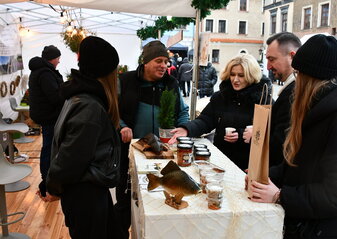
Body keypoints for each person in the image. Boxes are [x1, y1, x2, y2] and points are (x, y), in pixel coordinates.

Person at [248, 34, 337, 238]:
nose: (296, 81)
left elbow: (333, 195)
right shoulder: (315, 108)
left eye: (298, 74)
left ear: (309, 77)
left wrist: (280, 196)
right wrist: (264, 176)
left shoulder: (331, 116)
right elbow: (298, 166)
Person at [46, 36, 124, 239]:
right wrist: (52, 187)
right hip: (85, 195)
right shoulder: (89, 106)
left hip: (88, 190)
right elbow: (70, 158)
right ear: (106, 72)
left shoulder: (81, 98)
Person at [117, 40, 189, 237]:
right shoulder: (126, 80)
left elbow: (182, 111)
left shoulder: (171, 83)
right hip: (130, 150)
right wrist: (123, 126)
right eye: (159, 60)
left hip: (164, 153)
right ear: (145, 61)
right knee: (126, 195)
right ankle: (122, 232)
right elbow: (112, 109)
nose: (164, 65)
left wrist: (183, 127)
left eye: (166, 61)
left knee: (160, 193)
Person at [169, 54, 271, 171]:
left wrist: (242, 133)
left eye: (241, 75)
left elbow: (271, 133)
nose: (235, 79)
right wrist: (187, 129)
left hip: (247, 165)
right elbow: (205, 120)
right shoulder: (221, 97)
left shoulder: (263, 99)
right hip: (221, 160)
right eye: (232, 74)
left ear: (251, 76)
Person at [28, 45, 64, 201]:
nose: (59, 61)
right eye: (57, 58)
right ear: (52, 59)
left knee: (49, 146)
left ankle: (48, 180)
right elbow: (54, 96)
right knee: (49, 147)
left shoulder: (40, 71)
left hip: (46, 116)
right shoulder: (45, 73)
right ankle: (47, 182)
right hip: (50, 117)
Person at [266, 32, 301, 166]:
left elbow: (282, 141)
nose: (268, 66)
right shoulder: (291, 88)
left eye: (272, 59)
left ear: (292, 56)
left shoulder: (294, 92)